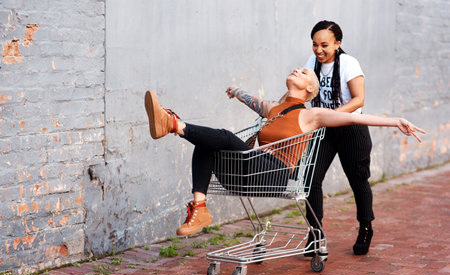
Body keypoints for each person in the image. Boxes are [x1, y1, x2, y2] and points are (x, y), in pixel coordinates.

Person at [144, 68, 425, 236]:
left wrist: (396, 121)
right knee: (207, 142)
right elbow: (252, 101)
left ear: (310, 88)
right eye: (296, 69)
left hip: (273, 175)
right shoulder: (274, 109)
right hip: (248, 171)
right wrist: (235, 90)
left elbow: (355, 117)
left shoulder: (312, 114)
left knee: (223, 137)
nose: (297, 70)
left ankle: (171, 123)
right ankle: (200, 209)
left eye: (303, 73)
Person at [303, 20, 376, 255]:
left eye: (324, 45)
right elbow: (299, 92)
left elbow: (358, 99)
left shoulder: (348, 63)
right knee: (310, 179)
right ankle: (315, 233)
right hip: (324, 130)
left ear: (337, 43)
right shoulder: (311, 63)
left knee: (358, 180)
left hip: (351, 128)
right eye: (315, 45)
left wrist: (329, 115)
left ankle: (365, 227)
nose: (318, 50)